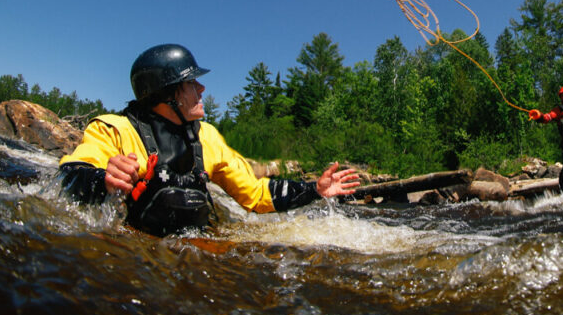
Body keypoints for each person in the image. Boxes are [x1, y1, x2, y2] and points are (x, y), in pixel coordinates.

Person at [58, 44, 360, 236]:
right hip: (139, 251)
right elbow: (67, 176)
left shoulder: (208, 137)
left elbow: (254, 195)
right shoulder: (114, 129)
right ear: (166, 93)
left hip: (196, 250)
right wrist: (103, 179)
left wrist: (314, 190)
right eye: (191, 82)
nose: (201, 88)